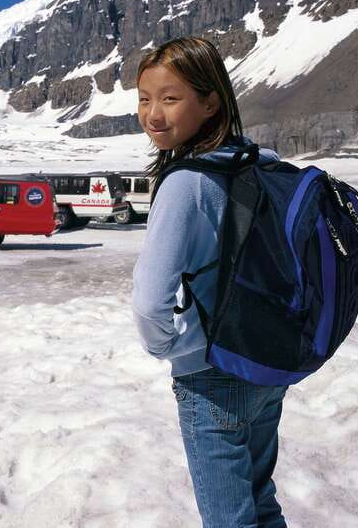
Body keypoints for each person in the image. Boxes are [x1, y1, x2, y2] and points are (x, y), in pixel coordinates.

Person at [131, 37, 288, 527]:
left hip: (210, 375)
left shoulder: (185, 183)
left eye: (170, 98)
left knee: (229, 519)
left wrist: (168, 348)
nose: (153, 114)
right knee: (261, 501)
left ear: (210, 102)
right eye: (144, 99)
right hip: (265, 361)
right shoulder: (257, 160)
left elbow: (150, 300)